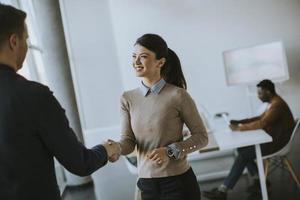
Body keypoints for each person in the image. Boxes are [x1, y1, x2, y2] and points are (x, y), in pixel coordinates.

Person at [0, 3, 121, 200]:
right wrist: (107, 149)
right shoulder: (34, 96)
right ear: (14, 42)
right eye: (26, 40)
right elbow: (80, 163)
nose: (27, 47)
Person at [110, 33, 208, 200]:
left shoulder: (178, 95)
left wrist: (170, 151)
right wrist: (117, 149)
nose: (136, 62)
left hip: (178, 183)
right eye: (134, 56)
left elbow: (201, 137)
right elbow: (128, 141)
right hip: (146, 184)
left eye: (143, 57)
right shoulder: (127, 98)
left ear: (160, 62)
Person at [203, 79, 295, 200]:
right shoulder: (274, 102)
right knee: (241, 150)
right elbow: (260, 118)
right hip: (272, 139)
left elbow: (262, 123)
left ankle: (223, 190)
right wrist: (240, 122)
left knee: (243, 155)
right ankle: (260, 182)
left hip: (276, 144)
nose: (258, 96)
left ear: (268, 92)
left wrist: (239, 128)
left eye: (260, 93)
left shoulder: (277, 105)